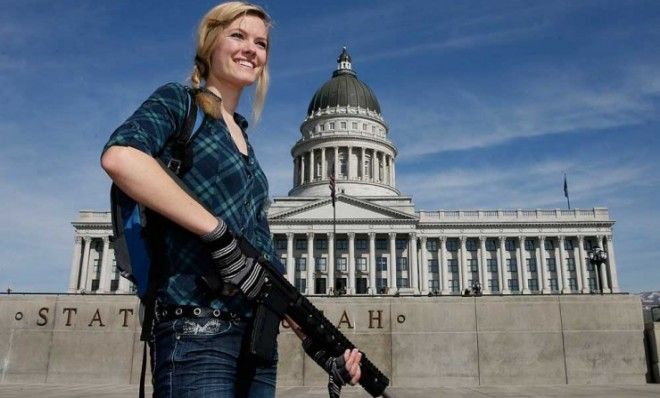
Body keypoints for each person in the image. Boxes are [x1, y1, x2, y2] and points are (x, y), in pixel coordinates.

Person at [100, 2, 361, 397]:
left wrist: (322, 347)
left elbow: (263, 265)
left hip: (255, 344)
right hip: (197, 329)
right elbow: (121, 156)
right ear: (210, 44)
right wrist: (218, 233)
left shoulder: (244, 142)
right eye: (237, 35)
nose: (250, 49)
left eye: (261, 43)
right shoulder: (180, 101)